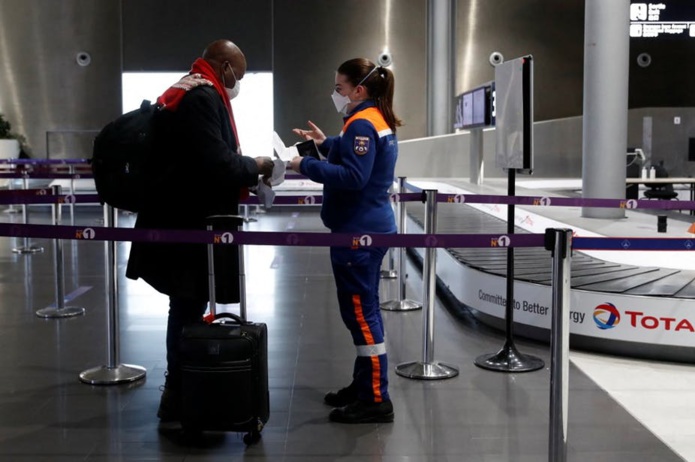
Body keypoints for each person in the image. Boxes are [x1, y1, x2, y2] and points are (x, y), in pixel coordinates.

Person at [125, 39, 274, 421]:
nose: (236, 84)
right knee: (187, 306)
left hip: (176, 217)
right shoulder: (202, 97)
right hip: (186, 223)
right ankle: (180, 392)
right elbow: (216, 163)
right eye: (236, 76)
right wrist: (255, 165)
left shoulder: (186, 88)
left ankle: (184, 389)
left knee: (188, 305)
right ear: (222, 65)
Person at [290, 58, 401, 424]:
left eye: (340, 88)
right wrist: (326, 145)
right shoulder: (372, 120)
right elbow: (355, 151)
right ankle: (364, 384)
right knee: (363, 312)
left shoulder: (363, 123)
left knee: (361, 314)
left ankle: (374, 398)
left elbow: (353, 176)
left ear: (359, 90)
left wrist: (302, 165)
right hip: (367, 227)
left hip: (359, 234)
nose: (336, 94)